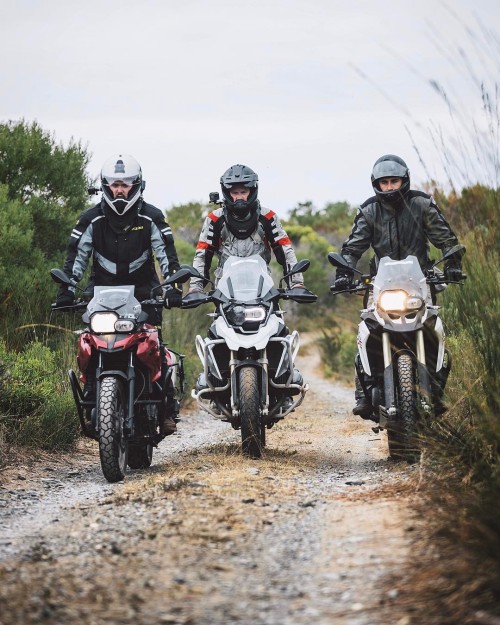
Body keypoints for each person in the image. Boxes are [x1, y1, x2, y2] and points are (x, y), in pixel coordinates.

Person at [55, 153, 182, 434]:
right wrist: (66, 289)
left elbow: (167, 256)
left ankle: (166, 406)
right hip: (100, 293)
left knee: (154, 344)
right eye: (114, 184)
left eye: (125, 184)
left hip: (144, 292)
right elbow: (76, 257)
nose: (119, 190)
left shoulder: (152, 217)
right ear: (105, 185)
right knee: (90, 342)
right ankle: (91, 398)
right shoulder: (91, 218)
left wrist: (173, 287)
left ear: (137, 185)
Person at [333, 154, 464, 418]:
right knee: (366, 331)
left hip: (421, 282)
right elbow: (354, 246)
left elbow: (445, 237)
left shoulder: (421, 204)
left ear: (404, 180)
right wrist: (344, 270)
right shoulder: (369, 210)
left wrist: (452, 262)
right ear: (376, 184)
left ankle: (436, 392)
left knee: (435, 331)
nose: (390, 187)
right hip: (382, 285)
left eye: (394, 181)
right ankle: (364, 390)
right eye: (385, 182)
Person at [185, 163, 312, 408]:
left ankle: (285, 382)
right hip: (226, 290)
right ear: (226, 192)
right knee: (216, 332)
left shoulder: (268, 217)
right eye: (234, 192)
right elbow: (202, 255)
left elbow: (284, 250)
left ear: (252, 190)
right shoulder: (214, 220)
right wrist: (196, 288)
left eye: (243, 191)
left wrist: (296, 282)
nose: (239, 196)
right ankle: (212, 379)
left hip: (261, 288)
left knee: (278, 329)